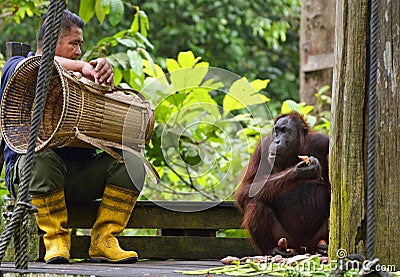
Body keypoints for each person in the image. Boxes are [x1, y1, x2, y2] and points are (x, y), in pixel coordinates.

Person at [0, 10, 145, 264]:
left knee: (133, 162)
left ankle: (104, 239)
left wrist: (102, 77)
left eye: (81, 45)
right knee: (41, 155)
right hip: (30, 179)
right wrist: (81, 67)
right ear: (53, 39)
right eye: (75, 43)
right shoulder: (17, 66)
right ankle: (55, 239)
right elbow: (36, 65)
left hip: (78, 178)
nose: (79, 51)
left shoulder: (80, 78)